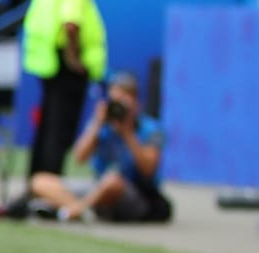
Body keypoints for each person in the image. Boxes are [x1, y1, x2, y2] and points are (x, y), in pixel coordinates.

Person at [0, 0, 104, 219]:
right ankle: (48, 195)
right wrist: (75, 59)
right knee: (59, 134)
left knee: (47, 131)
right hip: (64, 68)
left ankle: (37, 187)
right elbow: (71, 24)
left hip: (47, 66)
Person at [30, 72, 170, 223]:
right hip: (97, 188)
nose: (117, 108)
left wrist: (128, 133)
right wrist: (97, 123)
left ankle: (76, 209)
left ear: (135, 103)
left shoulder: (150, 129)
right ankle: (78, 209)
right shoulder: (102, 125)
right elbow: (79, 157)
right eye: (114, 101)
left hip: (134, 192)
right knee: (39, 181)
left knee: (112, 181)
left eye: (122, 102)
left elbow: (148, 169)